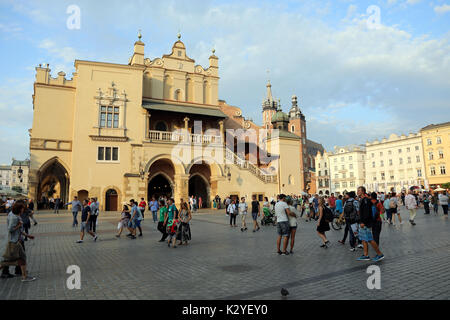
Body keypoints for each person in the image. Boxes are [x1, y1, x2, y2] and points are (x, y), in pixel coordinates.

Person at [0, 201, 36, 282]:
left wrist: (27, 235)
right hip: (15, 241)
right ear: (19, 209)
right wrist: (19, 225)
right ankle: (24, 276)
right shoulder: (14, 217)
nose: (23, 210)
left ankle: (23, 275)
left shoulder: (13, 215)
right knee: (17, 259)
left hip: (15, 240)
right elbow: (11, 229)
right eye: (22, 208)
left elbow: (19, 230)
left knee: (9, 260)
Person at [356, 187, 384, 262]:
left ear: (363, 192)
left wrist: (363, 222)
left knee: (370, 239)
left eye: (359, 190)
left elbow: (366, 213)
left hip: (365, 223)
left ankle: (379, 254)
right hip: (363, 223)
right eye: (357, 190)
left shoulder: (365, 200)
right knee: (364, 239)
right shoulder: (362, 200)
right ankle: (365, 255)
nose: (357, 192)